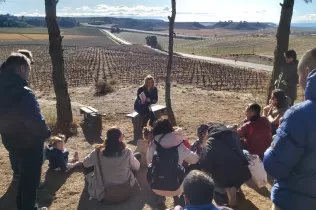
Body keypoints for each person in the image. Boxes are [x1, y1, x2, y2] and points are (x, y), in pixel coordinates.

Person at [264, 48, 316, 210]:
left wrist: (276, 140)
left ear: (307, 72)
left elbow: (274, 165)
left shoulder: (299, 115)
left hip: (295, 199)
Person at [0, 53, 51, 210]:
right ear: (22, 68)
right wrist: (46, 133)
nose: (29, 74)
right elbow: (35, 121)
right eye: (28, 70)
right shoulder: (24, 92)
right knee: (31, 182)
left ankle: (23, 206)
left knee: (23, 177)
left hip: (10, 140)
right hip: (29, 144)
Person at [147, 119, 199, 205]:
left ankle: (160, 200)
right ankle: (181, 199)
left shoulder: (153, 144)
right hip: (176, 187)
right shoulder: (179, 143)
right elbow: (194, 160)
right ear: (171, 129)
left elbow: (148, 161)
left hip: (156, 186)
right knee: (188, 168)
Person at [199, 123, 251, 207]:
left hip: (223, 181)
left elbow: (206, 166)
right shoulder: (234, 136)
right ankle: (237, 188)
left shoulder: (210, 142)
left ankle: (226, 191)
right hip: (242, 175)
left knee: (207, 176)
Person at [2, 49, 35, 182]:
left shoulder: (5, 74)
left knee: (12, 148)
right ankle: (25, 177)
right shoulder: (16, 83)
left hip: (6, 124)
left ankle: (17, 173)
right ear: (22, 66)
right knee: (22, 150)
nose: (30, 68)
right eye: (29, 64)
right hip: (15, 123)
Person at [83, 127, 140, 201]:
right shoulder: (127, 152)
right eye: (122, 135)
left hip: (104, 191)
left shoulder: (97, 153)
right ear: (120, 139)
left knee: (86, 166)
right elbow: (137, 167)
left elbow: (85, 163)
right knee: (137, 155)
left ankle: (89, 184)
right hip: (126, 188)